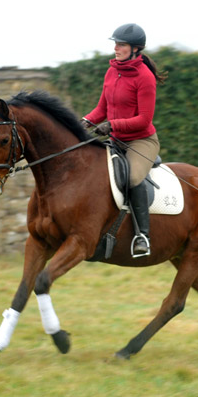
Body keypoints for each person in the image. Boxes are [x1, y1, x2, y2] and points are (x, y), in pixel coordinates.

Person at [81, 23, 166, 257]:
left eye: (121, 44)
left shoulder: (145, 77)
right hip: (116, 139)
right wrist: (84, 122)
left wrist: (112, 125)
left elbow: (144, 119)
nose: (116, 48)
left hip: (141, 141)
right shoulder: (112, 71)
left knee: (132, 178)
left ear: (135, 49)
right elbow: (102, 108)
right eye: (115, 44)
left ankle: (142, 237)